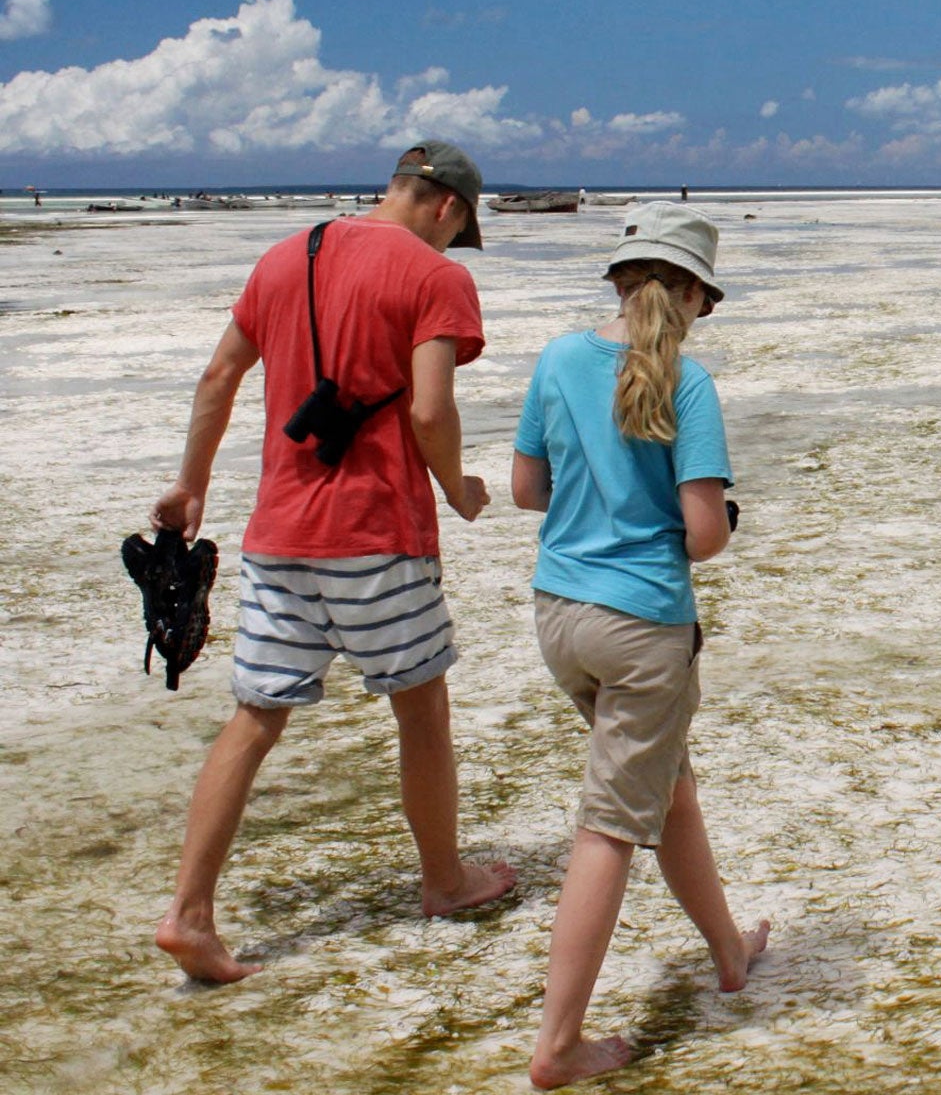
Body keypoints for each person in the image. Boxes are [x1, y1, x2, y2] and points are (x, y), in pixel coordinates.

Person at [150, 141, 512, 983]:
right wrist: (457, 487)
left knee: (254, 717)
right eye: (457, 233)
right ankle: (444, 881)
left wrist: (191, 486)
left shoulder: (285, 256)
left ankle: (190, 913)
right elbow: (429, 408)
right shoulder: (436, 276)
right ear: (447, 207)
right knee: (421, 712)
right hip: (379, 534)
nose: (453, 248)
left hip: (279, 536)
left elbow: (218, 376)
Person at [512, 202, 768, 1089]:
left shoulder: (554, 358)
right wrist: (712, 516)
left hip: (560, 616)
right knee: (611, 828)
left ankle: (729, 952)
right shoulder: (688, 385)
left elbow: (525, 489)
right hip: (642, 626)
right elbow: (704, 537)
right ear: (695, 293)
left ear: (621, 280)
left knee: (670, 791)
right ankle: (557, 1046)